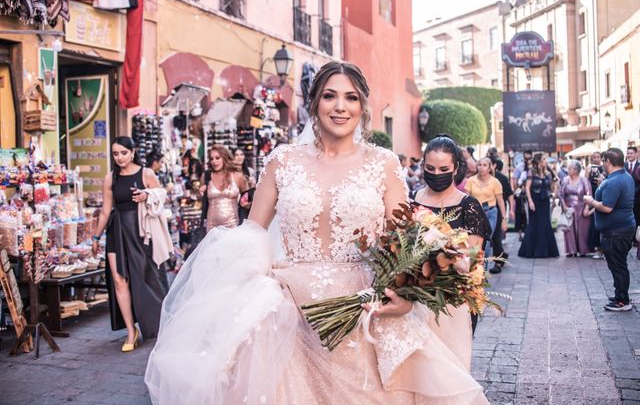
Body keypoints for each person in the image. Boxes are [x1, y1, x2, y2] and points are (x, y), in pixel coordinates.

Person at [145, 61, 489, 404]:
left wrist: (405, 296)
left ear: (362, 107)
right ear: (314, 104)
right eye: (330, 96)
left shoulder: (384, 163)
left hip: (364, 311)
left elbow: (402, 238)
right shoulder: (283, 161)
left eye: (351, 98)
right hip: (290, 311)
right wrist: (246, 291)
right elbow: (252, 234)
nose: (340, 106)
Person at [92, 137, 169, 351]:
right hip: (116, 231)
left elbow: (162, 197)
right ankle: (130, 331)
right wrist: (96, 238)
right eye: (116, 154)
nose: (120, 157)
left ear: (132, 152)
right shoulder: (110, 178)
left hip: (142, 231)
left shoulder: (146, 174)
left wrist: (147, 195)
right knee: (119, 280)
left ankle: (159, 322)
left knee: (147, 277)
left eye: (123, 153)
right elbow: (106, 210)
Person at [409, 134, 491, 337]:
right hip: (414, 300)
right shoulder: (412, 200)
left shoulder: (468, 206)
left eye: (444, 170)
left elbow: (472, 260)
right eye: (430, 169)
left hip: (453, 301)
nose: (436, 174)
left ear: (455, 169)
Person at [584, 148, 636, 311]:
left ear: (607, 161)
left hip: (616, 232)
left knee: (618, 265)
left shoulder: (615, 181)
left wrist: (590, 200)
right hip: (622, 228)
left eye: (604, 161)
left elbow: (607, 207)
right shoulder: (624, 176)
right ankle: (620, 295)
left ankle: (622, 301)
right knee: (618, 265)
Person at [464, 157, 508, 260]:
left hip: (490, 213)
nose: (481, 167)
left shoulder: (495, 182)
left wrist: (504, 219)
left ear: (489, 168)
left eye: (484, 165)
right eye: (479, 165)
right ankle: (476, 268)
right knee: (474, 241)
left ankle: (483, 270)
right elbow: (466, 199)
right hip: (475, 214)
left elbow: (501, 201)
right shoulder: (471, 180)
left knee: (486, 243)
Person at [518, 153, 559, 258]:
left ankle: (545, 251)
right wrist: (530, 201)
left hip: (545, 201)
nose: (546, 161)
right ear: (539, 161)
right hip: (535, 201)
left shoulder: (547, 173)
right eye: (544, 159)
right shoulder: (531, 172)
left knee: (545, 224)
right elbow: (527, 188)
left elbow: (552, 185)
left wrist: (554, 195)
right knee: (533, 224)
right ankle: (530, 250)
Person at [201, 145, 248, 231]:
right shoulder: (207, 176)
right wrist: (200, 192)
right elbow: (201, 200)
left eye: (217, 158)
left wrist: (246, 203)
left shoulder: (237, 176)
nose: (214, 161)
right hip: (211, 228)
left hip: (233, 226)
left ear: (224, 158)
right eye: (211, 159)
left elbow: (248, 198)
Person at [559, 160, 592, 257]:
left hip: (581, 206)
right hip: (568, 207)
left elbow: (589, 194)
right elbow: (561, 194)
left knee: (582, 230)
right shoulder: (565, 180)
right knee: (569, 229)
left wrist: (587, 207)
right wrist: (564, 205)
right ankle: (571, 251)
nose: (567, 170)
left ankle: (583, 250)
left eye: (570, 168)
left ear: (576, 170)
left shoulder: (584, 180)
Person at [489, 158, 514, 274]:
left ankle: (498, 262)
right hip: (483, 212)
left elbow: (509, 195)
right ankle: (501, 255)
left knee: (496, 236)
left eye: (487, 165)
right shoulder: (477, 179)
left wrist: (511, 210)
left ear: (493, 165)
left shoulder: (501, 178)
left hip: (498, 211)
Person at [586, 151, 605, 259]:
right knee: (593, 224)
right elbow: (586, 183)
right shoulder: (589, 168)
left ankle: (603, 249)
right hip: (592, 196)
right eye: (594, 157)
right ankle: (597, 248)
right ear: (591, 159)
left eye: (598, 157)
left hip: (602, 195)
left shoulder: (604, 169)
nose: (596, 159)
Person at [232, 148, 256, 224]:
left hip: (248, 205)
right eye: (236, 155)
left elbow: (254, 190)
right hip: (235, 205)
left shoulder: (250, 171)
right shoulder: (230, 173)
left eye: (241, 154)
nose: (239, 157)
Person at [625, 146, 640, 249]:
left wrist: (633, 192)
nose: (629, 155)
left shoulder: (639, 166)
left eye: (631, 153)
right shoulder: (623, 166)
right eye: (628, 153)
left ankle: (636, 239)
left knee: (637, 218)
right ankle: (627, 238)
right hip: (625, 198)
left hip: (637, 198)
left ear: (636, 154)